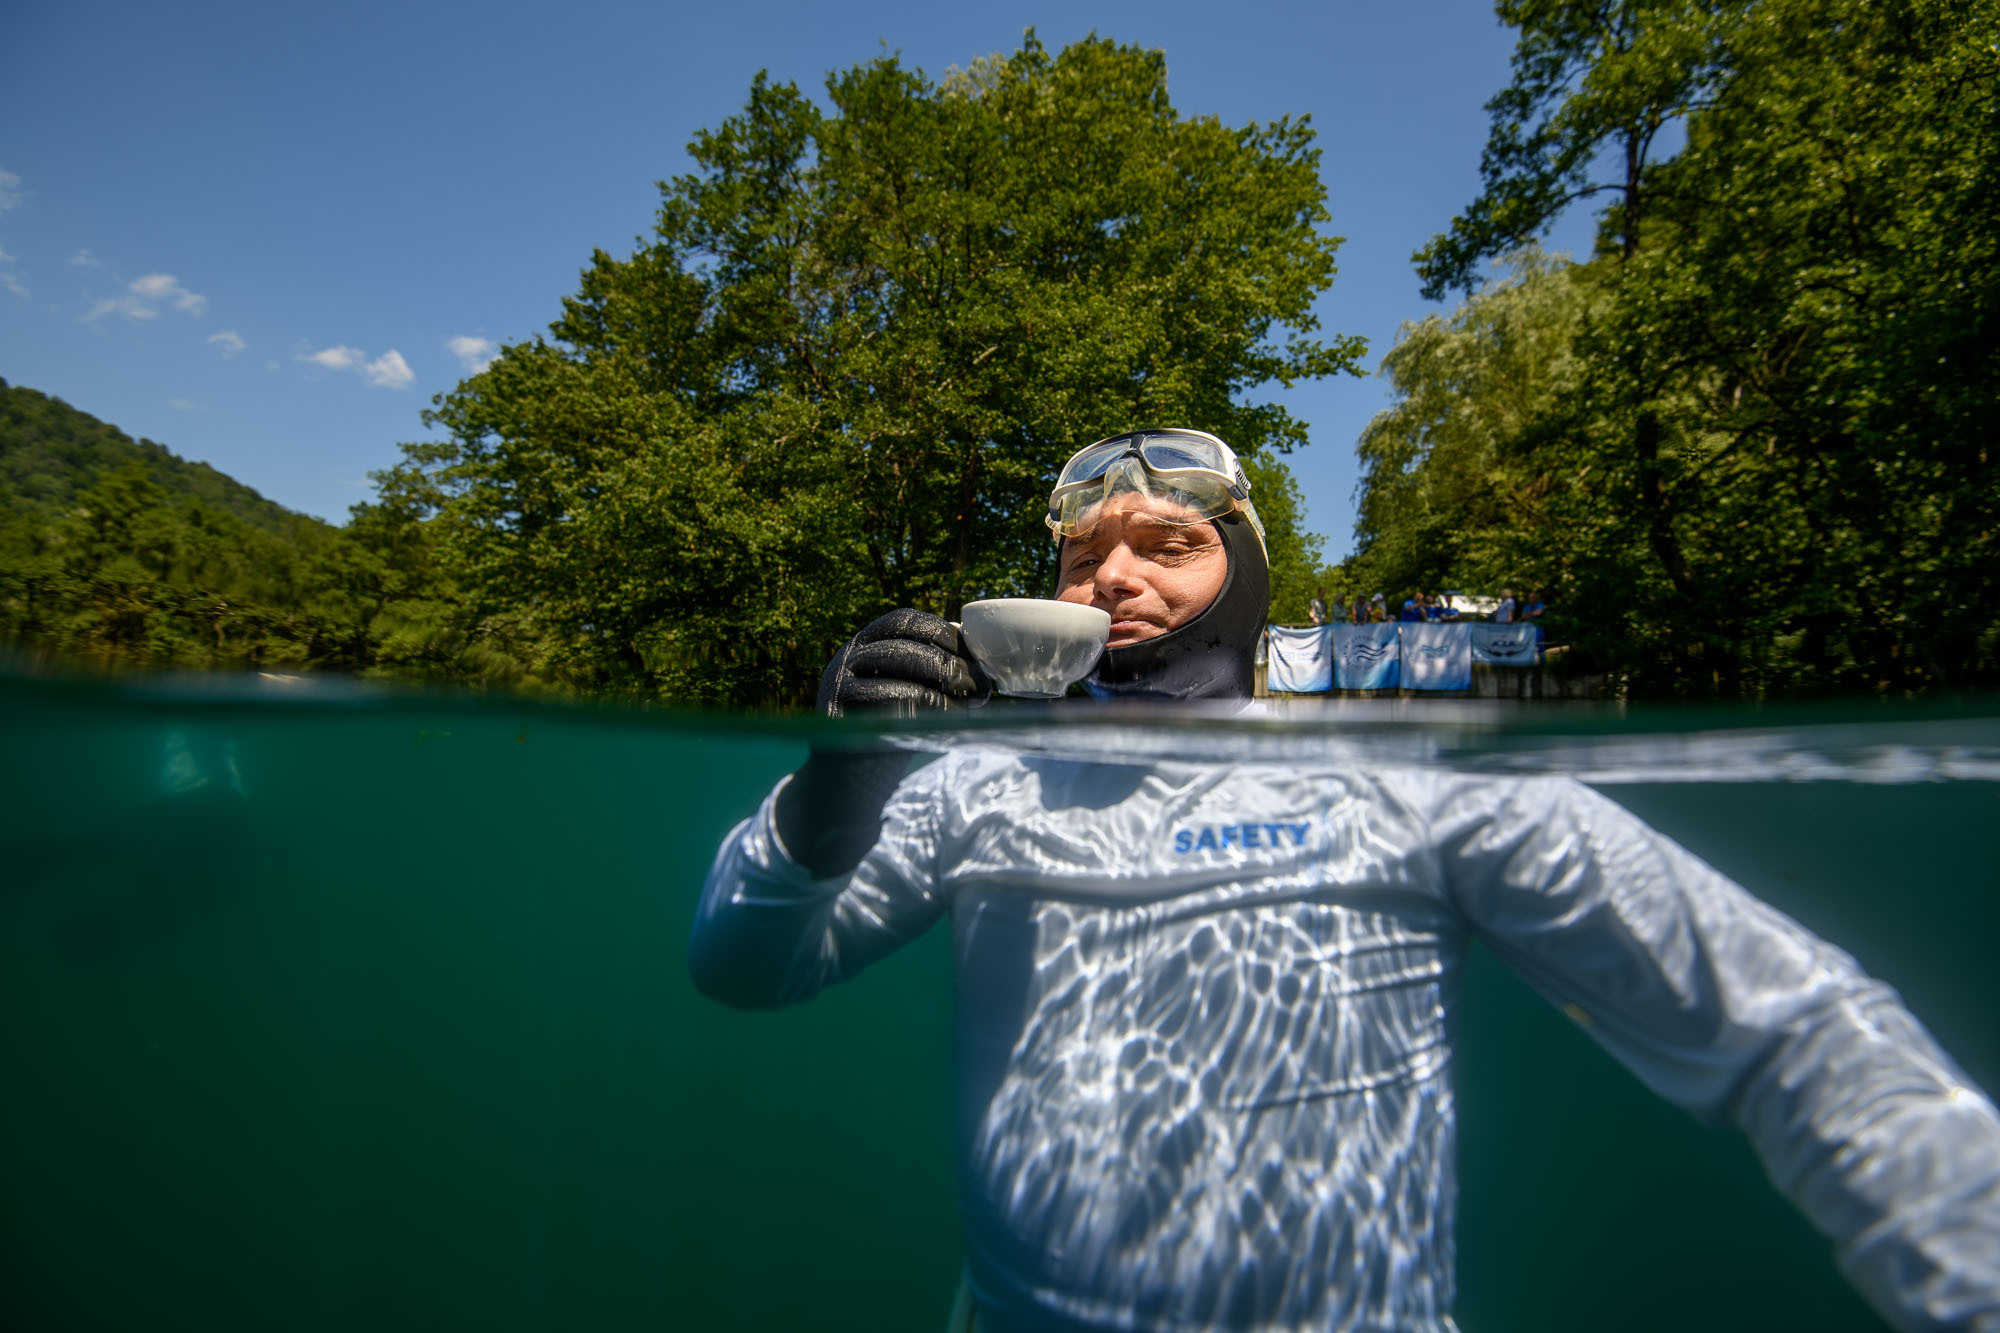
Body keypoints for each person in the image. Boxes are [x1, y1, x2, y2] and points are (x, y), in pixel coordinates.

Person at [692, 428, 2000, 1333]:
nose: (1115, 575)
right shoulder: (975, 787)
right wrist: (829, 793)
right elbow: (743, 968)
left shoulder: (1406, 771)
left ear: (1247, 577)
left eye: (1167, 540)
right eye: (1083, 554)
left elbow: (1792, 1027)